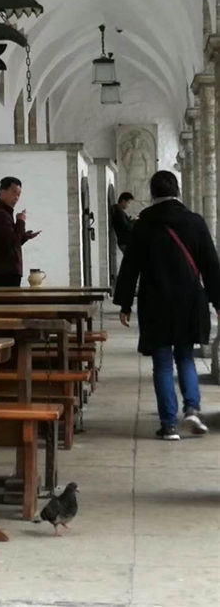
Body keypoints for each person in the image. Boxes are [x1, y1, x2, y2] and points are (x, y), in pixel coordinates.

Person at [113, 171, 220, 440]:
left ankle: (169, 424)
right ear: (178, 191)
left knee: (162, 363)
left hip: (156, 302)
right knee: (185, 357)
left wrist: (124, 304)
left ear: (152, 193)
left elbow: (130, 266)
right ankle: (192, 408)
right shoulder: (195, 222)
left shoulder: (144, 225)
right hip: (188, 301)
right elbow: (210, 264)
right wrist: (218, 302)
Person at [0, 176, 41, 287]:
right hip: (3, 273)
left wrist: (25, 236)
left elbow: (7, 242)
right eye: (14, 192)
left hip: (4, 272)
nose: (16, 197)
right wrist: (20, 221)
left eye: (19, 194)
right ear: (2, 191)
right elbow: (12, 242)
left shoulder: (3, 212)